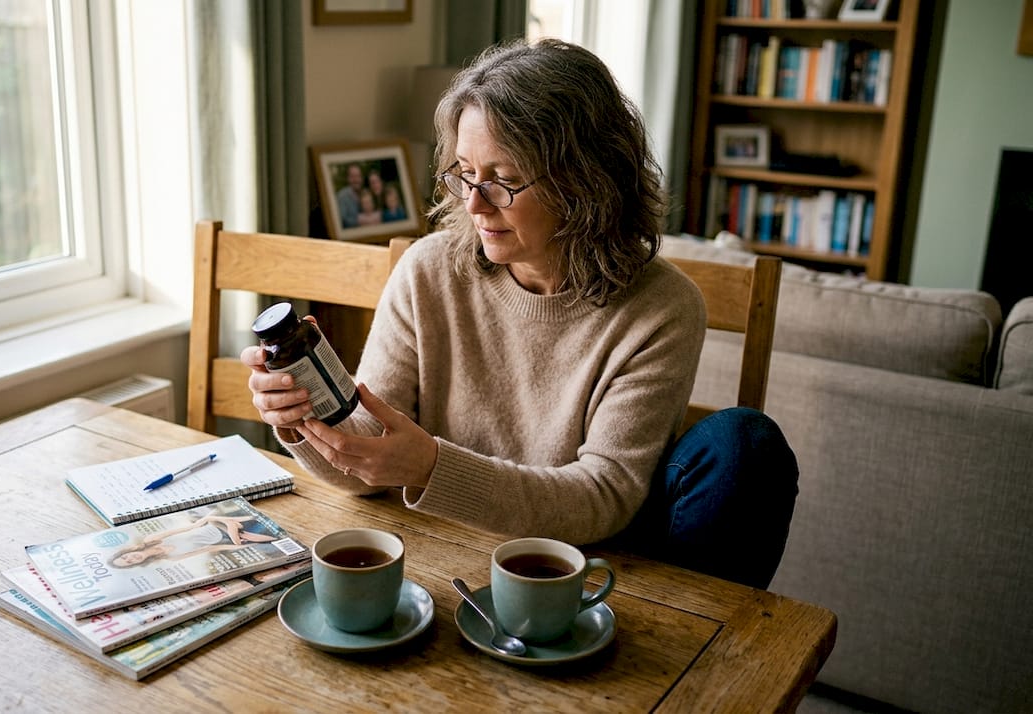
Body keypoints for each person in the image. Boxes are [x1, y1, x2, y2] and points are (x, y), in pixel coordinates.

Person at [241, 39, 797, 589]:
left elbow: (603, 495)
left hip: (580, 568)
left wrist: (430, 467)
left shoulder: (660, 308)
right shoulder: (428, 270)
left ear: (585, 182)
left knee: (745, 443)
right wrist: (301, 415)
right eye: (463, 174)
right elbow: (365, 466)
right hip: (440, 552)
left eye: (502, 181)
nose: (474, 204)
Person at [108, 514, 278, 569]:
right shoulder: (170, 558)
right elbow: (206, 549)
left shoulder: (150, 540)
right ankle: (236, 527)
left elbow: (188, 528)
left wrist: (207, 520)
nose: (130, 559)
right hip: (222, 537)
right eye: (128, 563)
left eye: (125, 557)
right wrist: (235, 546)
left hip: (211, 525)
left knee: (243, 533)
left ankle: (232, 524)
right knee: (248, 539)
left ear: (126, 553)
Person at [336, 163, 364, 228]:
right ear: (348, 178)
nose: (356, 180)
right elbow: (342, 220)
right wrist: (360, 221)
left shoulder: (365, 193)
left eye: (358, 176)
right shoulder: (342, 196)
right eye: (353, 176)